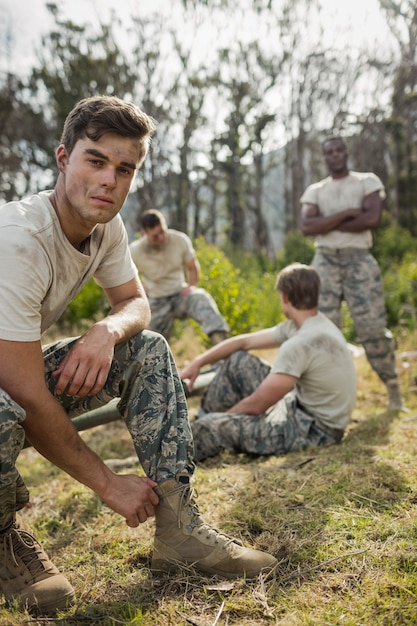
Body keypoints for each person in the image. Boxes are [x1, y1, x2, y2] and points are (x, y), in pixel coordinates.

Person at [0, 96, 276, 616]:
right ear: (63, 158)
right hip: (7, 385)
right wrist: (109, 484)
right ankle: (0, 538)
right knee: (4, 409)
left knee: (145, 350)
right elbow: (22, 392)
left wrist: (106, 329)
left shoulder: (106, 225)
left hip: (12, 373)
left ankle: (180, 530)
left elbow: (135, 303)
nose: (109, 180)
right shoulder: (18, 240)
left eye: (124, 169)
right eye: (95, 160)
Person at [180, 263, 356, 462]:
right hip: (300, 406)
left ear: (285, 297)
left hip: (315, 430)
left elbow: (256, 405)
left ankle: (178, 450)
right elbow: (243, 342)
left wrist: (224, 420)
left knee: (211, 425)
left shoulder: (301, 343)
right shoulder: (311, 325)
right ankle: (197, 431)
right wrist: (199, 361)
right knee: (237, 361)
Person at [300, 135, 405, 411]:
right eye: (329, 152)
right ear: (324, 157)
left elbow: (371, 219)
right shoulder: (316, 190)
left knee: (371, 326)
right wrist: (348, 213)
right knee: (323, 329)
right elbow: (308, 227)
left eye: (338, 150)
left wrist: (327, 223)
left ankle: (392, 386)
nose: (334, 155)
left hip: (358, 260)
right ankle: (332, 396)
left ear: (346, 153)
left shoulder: (366, 181)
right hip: (324, 261)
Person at [129, 209, 229, 344]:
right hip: (156, 300)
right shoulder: (135, 251)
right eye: (155, 236)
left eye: (162, 232)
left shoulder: (180, 240)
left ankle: (224, 346)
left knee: (201, 298)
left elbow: (192, 267)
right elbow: (125, 277)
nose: (161, 238)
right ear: (145, 233)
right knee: (150, 342)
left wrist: (191, 286)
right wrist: (140, 291)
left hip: (179, 294)